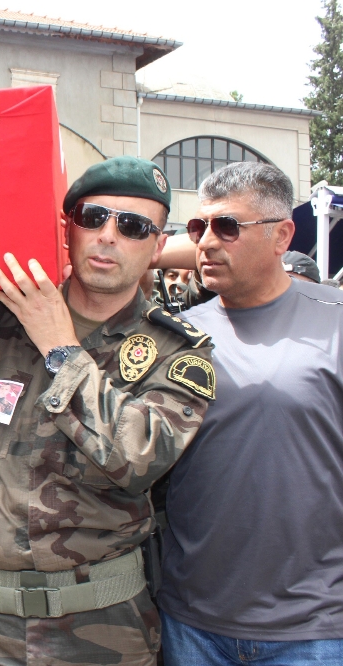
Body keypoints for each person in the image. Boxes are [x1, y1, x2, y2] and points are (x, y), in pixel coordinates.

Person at [0, 156, 216, 666]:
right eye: (93, 217)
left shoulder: (175, 351)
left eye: (134, 226)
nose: (109, 236)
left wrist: (59, 346)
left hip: (98, 627)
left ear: (158, 246)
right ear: (66, 227)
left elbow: (139, 460)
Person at [156, 162, 343, 665]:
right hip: (192, 621)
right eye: (198, 227)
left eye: (228, 226)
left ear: (282, 235)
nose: (207, 242)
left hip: (314, 629)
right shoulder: (177, 335)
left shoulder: (334, 322)